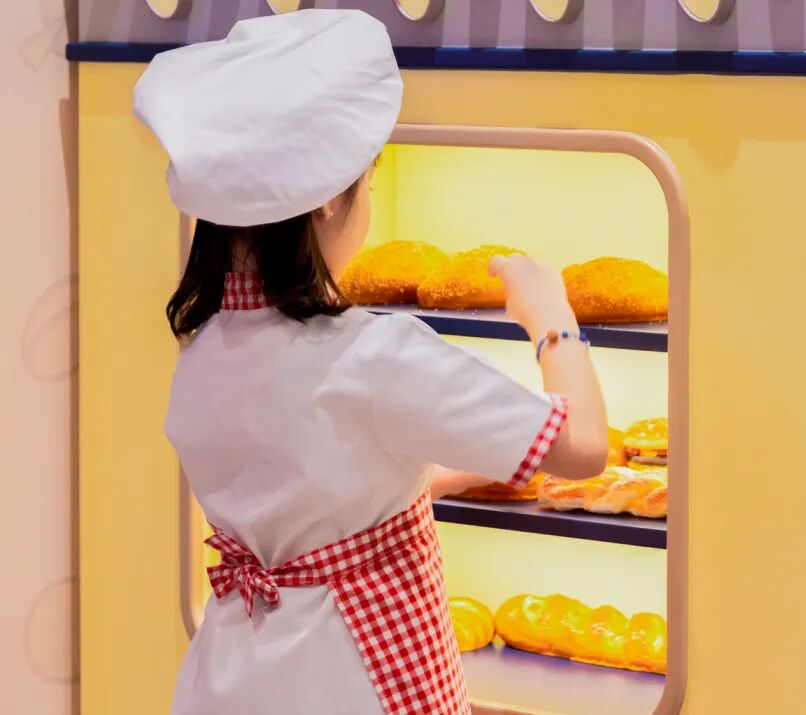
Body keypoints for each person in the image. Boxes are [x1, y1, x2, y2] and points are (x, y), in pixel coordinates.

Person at [133, 9, 608, 715]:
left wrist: (456, 467)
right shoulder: (373, 355)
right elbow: (583, 447)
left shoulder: (204, 348)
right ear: (330, 197)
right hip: (357, 679)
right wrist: (551, 319)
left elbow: (322, 488)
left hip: (232, 678)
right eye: (370, 181)